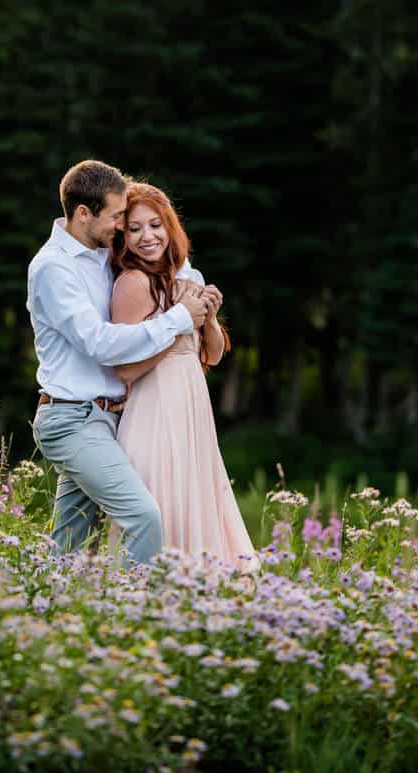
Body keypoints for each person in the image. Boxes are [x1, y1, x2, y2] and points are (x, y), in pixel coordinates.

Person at [28, 159, 214, 565]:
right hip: (71, 420)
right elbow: (100, 344)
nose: (120, 226)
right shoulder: (53, 269)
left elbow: (165, 256)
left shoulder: (97, 251)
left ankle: (40, 612)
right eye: (115, 217)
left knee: (69, 543)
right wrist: (180, 318)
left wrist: (194, 288)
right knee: (144, 516)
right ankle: (131, 616)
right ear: (83, 214)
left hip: (109, 418)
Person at [110, 181, 257, 569]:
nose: (147, 237)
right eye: (135, 229)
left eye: (155, 225)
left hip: (193, 413)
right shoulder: (131, 284)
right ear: (122, 237)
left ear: (169, 227)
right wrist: (177, 321)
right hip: (153, 411)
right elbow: (123, 368)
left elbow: (212, 353)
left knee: (196, 500)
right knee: (164, 502)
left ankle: (196, 597)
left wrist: (206, 315)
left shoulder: (186, 279)